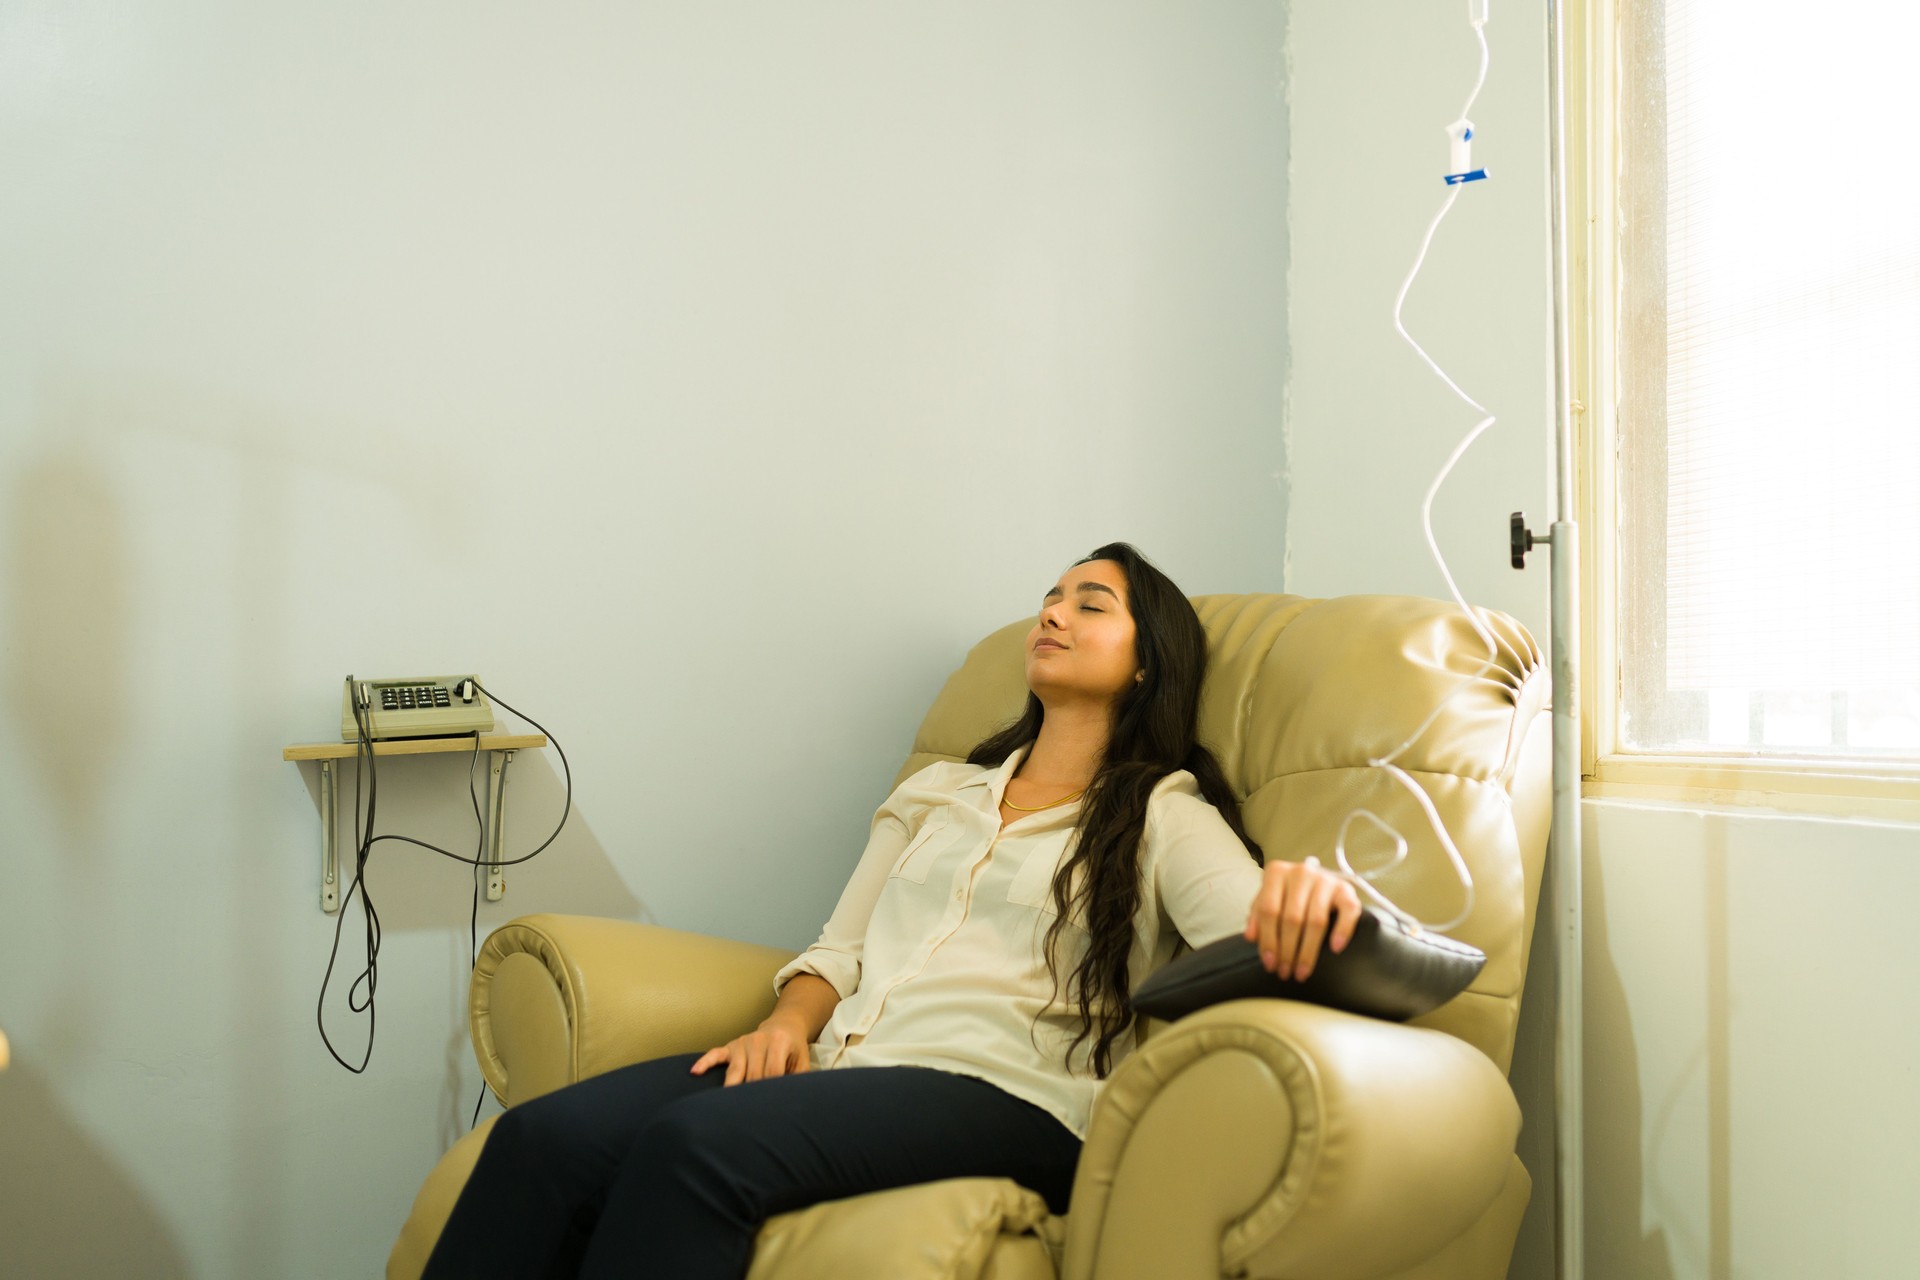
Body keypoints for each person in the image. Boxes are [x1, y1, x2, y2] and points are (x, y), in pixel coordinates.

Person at [421, 542, 1362, 1279]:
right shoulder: (940, 794)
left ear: (1147, 663)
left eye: (1090, 603)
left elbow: (1258, 939)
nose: (1053, 611)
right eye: (1051, 595)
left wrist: (1313, 900)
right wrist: (785, 1027)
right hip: (848, 1064)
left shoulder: (1162, 810)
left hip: (1012, 1093)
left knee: (692, 1147)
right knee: (541, 1141)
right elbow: (838, 949)